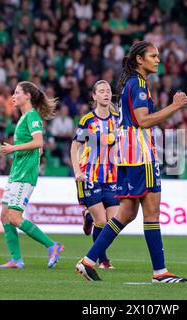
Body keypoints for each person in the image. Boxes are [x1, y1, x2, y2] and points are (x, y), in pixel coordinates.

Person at [75, 41, 187, 283]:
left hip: (128, 154)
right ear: (140, 59)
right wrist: (175, 106)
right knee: (152, 213)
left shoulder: (134, 83)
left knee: (126, 213)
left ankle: (88, 261)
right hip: (140, 153)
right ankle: (160, 272)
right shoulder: (137, 84)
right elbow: (144, 121)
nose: (158, 59)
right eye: (153, 55)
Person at [0, 81, 64, 269]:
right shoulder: (24, 117)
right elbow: (38, 147)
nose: (13, 96)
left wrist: (13, 148)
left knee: (15, 218)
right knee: (4, 216)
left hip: (25, 175)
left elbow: (38, 141)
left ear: (27, 96)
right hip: (16, 173)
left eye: (17, 93)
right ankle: (16, 260)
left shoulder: (32, 116)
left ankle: (52, 245)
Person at [70, 80, 120, 270]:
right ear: (94, 96)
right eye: (101, 91)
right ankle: (102, 259)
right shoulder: (87, 121)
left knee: (114, 224)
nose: (106, 94)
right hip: (90, 176)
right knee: (102, 221)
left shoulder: (118, 119)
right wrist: (77, 171)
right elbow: (75, 146)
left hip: (113, 176)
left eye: (108, 91)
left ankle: (88, 217)